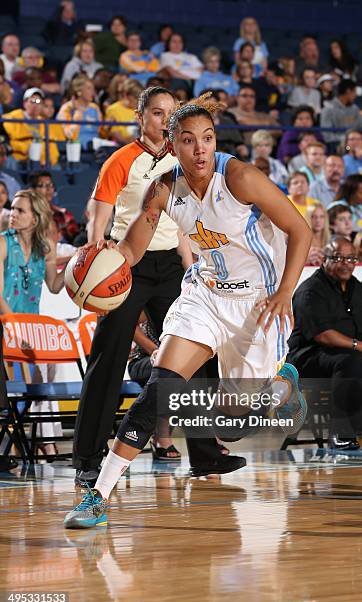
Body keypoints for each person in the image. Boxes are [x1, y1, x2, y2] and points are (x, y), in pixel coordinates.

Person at [64, 93, 312, 529]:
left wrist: (286, 291)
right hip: (204, 294)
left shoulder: (239, 177)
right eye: (188, 140)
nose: (200, 149)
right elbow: (130, 251)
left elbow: (299, 229)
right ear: (171, 144)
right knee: (159, 390)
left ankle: (280, 389)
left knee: (234, 429)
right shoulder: (162, 188)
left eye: (208, 138)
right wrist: (97, 266)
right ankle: (97, 495)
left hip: (256, 302)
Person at [70, 86, 235, 490]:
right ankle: (88, 460)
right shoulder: (121, 160)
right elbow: (101, 214)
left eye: (170, 113)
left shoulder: (180, 161)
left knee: (196, 357)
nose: (164, 120)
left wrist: (187, 257)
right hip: (129, 264)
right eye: (157, 113)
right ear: (140, 116)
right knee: (107, 360)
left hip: (169, 266)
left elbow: (177, 219)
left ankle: (205, 454)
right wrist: (97, 257)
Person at [287, 237, 362, 450]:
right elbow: (322, 335)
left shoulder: (356, 288)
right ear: (324, 259)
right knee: (351, 360)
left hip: (351, 352)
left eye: (351, 259)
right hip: (309, 357)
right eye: (339, 258)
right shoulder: (310, 291)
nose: (346, 264)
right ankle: (340, 431)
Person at [0, 189, 67, 456]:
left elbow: (53, 286)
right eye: (13, 209)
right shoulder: (3, 243)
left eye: (20, 210)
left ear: (36, 218)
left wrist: (78, 267)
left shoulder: (46, 248)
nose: (12, 214)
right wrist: (14, 327)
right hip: (7, 324)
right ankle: (14, 441)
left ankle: (40, 441)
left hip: (31, 327)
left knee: (45, 377)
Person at [127, 311, 181, 461]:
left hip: (174, 357)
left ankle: (212, 438)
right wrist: (156, 351)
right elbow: (131, 325)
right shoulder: (157, 299)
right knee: (170, 369)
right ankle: (161, 437)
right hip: (142, 360)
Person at [2, 87, 60, 166]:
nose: (36, 105)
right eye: (32, 101)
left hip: (41, 162)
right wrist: (27, 148)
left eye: (39, 102)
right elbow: (8, 141)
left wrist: (49, 161)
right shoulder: (12, 118)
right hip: (19, 159)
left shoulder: (44, 123)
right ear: (24, 103)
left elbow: (52, 147)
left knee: (56, 167)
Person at [28, 171, 79, 244]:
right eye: (42, 185)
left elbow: (76, 240)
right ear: (32, 190)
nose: (49, 189)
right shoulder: (27, 214)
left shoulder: (63, 214)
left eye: (51, 185)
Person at [57, 75, 102, 151]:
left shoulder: (95, 107)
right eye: (89, 88)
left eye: (93, 88)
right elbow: (68, 134)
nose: (93, 92)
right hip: (76, 147)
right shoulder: (67, 108)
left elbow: (100, 131)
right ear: (79, 92)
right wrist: (78, 114)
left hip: (96, 146)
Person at [320, 79, 362, 146]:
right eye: (354, 92)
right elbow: (327, 136)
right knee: (348, 148)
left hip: (354, 144)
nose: (355, 95)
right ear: (348, 91)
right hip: (337, 147)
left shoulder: (355, 109)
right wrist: (347, 139)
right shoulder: (328, 109)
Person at [102, 78, 143, 145]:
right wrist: (133, 144)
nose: (139, 101)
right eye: (136, 97)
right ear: (126, 94)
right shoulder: (113, 109)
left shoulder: (140, 110)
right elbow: (114, 133)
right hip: (121, 147)